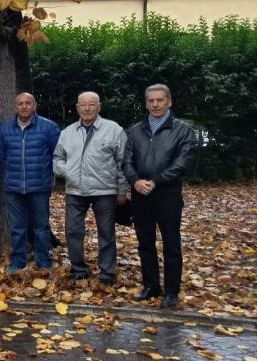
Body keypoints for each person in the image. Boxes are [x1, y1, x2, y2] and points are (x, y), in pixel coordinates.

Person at [123, 84, 197, 309]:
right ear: (146, 104)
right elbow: (126, 160)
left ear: (169, 102)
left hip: (167, 194)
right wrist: (135, 181)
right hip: (140, 195)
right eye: (151, 101)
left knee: (171, 243)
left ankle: (172, 291)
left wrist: (156, 181)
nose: (155, 104)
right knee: (145, 243)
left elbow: (182, 163)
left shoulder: (182, 130)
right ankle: (151, 286)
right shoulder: (135, 130)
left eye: (160, 100)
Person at [53, 91, 130, 285]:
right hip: (75, 191)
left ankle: (107, 273)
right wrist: (67, 170)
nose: (87, 108)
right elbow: (57, 158)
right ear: (77, 107)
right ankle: (79, 269)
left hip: (104, 191)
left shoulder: (114, 130)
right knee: (72, 231)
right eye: (83, 105)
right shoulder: (67, 133)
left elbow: (123, 162)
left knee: (106, 233)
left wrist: (122, 190)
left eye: (92, 104)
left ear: (99, 107)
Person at [0, 93, 60, 274]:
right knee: (17, 228)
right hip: (14, 187)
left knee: (41, 227)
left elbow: (57, 154)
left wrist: (47, 176)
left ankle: (43, 262)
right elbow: (1, 156)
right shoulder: (6, 129)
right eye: (20, 104)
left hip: (40, 186)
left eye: (28, 103)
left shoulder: (49, 127)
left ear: (34, 105)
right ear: (15, 107)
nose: (24, 107)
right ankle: (18, 262)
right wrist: (11, 174)